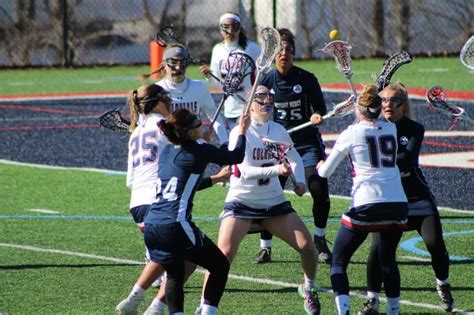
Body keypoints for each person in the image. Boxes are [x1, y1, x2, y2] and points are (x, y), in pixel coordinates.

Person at [197, 86, 322, 315]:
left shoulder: (278, 130)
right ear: (250, 104)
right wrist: (278, 170)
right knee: (221, 257)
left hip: (273, 203)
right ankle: (204, 306)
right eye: (260, 96)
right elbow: (244, 170)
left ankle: (308, 288)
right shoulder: (240, 132)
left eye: (269, 97)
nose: (267, 100)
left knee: (308, 248)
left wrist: (301, 181)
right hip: (242, 202)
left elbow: (293, 156)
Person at [116, 85, 231, 315]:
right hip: (160, 202)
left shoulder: (137, 132)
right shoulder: (164, 128)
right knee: (182, 258)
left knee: (176, 259)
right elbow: (183, 167)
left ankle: (136, 299)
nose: (170, 102)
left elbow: (130, 179)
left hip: (137, 202)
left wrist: (198, 143)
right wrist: (200, 144)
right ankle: (154, 307)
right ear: (157, 102)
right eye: (167, 98)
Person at [359, 83, 454, 314]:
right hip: (388, 199)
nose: (388, 105)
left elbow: (407, 159)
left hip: (416, 197)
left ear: (404, 106)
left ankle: (442, 283)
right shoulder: (373, 127)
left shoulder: (414, 129)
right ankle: (372, 299)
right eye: (384, 101)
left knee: (435, 245)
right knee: (378, 251)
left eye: (394, 101)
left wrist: (377, 154)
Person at [143, 108, 250, 315]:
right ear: (189, 133)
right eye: (197, 124)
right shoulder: (200, 150)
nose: (202, 124)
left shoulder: (167, 150)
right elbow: (235, 156)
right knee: (219, 265)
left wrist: (215, 177)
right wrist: (242, 131)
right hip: (175, 225)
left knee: (174, 275)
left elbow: (185, 183)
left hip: (152, 225)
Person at [316, 84, 408, 315]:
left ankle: (343, 311)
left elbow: (325, 172)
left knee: (338, 262)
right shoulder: (391, 129)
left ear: (359, 109)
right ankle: (393, 312)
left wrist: (319, 166)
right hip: (397, 204)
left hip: (366, 204)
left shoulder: (351, 133)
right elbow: (375, 123)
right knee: (388, 260)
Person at [257, 28, 332, 264]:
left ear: (293, 53)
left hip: (306, 142)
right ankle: (265, 247)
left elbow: (320, 108)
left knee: (318, 186)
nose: (284, 53)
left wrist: (317, 116)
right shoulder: (266, 80)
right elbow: (256, 109)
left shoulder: (307, 78)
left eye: (288, 49)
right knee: (269, 191)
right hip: (278, 144)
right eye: (279, 49)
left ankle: (319, 239)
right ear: (273, 54)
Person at [149, 43, 228, 145]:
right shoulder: (156, 91)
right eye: (173, 62)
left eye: (182, 62)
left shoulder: (199, 88)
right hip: (167, 149)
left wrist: (225, 142)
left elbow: (214, 115)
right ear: (164, 64)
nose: (178, 67)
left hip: (194, 149)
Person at [199, 12, 261, 130]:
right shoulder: (217, 50)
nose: (230, 31)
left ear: (240, 28)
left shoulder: (252, 48)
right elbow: (217, 83)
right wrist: (209, 75)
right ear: (220, 29)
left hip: (251, 108)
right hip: (230, 109)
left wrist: (258, 96)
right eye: (225, 27)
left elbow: (265, 74)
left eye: (234, 26)